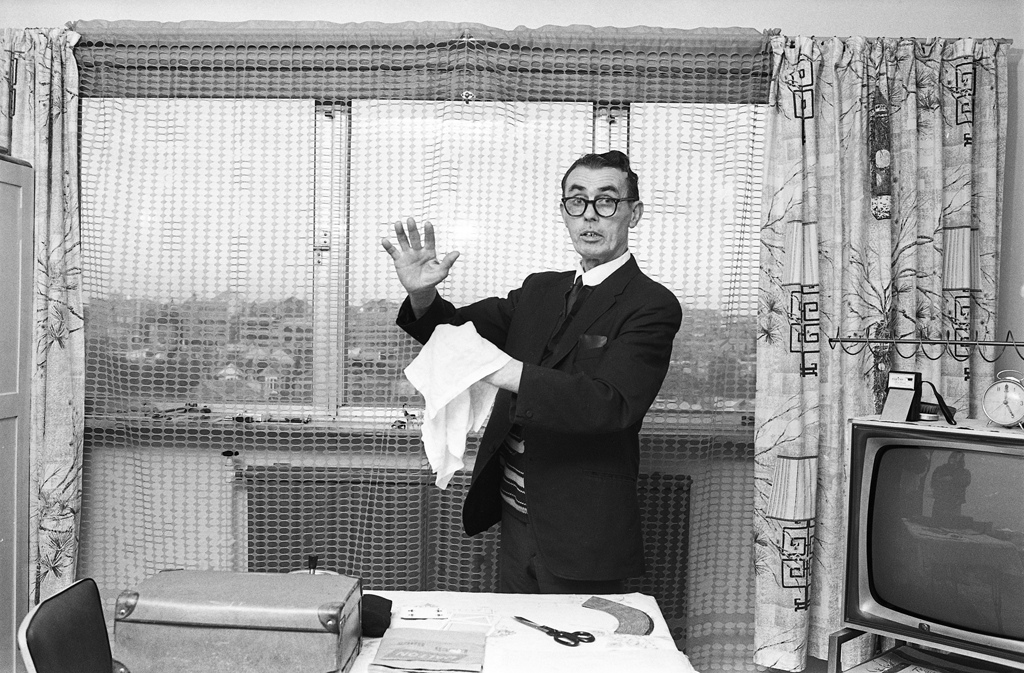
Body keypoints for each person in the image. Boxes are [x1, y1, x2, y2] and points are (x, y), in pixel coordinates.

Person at [381, 150, 682, 594]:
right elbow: (455, 335)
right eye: (577, 201)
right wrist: (422, 296)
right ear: (564, 212)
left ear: (633, 214)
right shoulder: (540, 289)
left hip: (580, 529)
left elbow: (611, 405)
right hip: (513, 515)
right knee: (514, 634)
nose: (590, 215)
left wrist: (503, 370)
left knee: (579, 641)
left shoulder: (651, 304)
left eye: (606, 201)